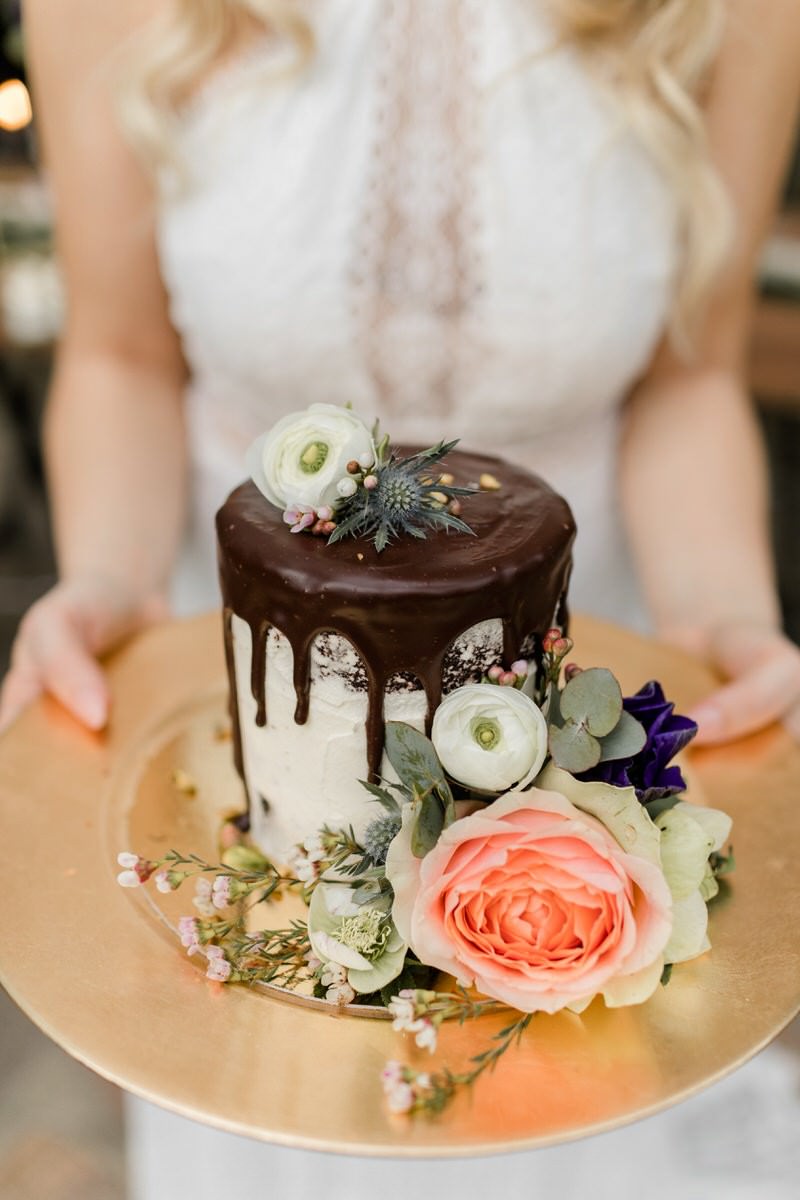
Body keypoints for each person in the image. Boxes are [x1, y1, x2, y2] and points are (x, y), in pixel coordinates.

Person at [2, 1, 800, 1197]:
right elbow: (121, 354)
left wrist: (722, 614)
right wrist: (107, 581)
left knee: (568, 1100)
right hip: (262, 703)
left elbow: (687, 378)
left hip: (565, 660)